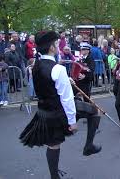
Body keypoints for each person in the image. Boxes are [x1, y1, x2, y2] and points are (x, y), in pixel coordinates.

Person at [19, 31, 78, 179]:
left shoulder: (35, 66)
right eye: (57, 44)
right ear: (52, 47)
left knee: (52, 145)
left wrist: (65, 80)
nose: (59, 47)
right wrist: (72, 121)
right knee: (54, 145)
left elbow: (46, 85)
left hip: (42, 111)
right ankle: (54, 176)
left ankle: (54, 175)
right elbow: (67, 99)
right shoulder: (58, 69)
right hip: (55, 113)